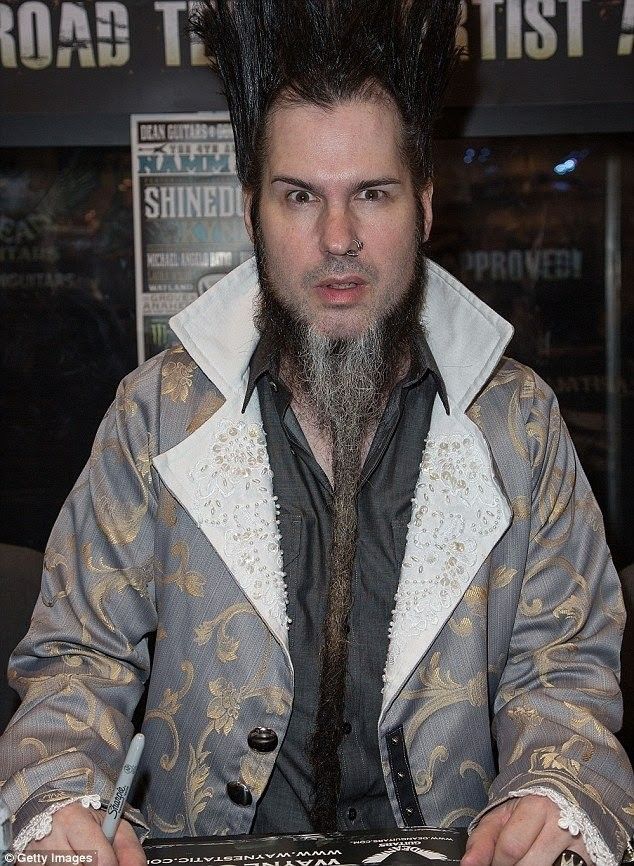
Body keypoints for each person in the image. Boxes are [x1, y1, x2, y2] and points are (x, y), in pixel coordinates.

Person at [0, 1, 632, 864]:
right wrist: (60, 794)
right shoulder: (154, 413)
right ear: (252, 206)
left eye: (371, 194)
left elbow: (565, 665)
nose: (338, 238)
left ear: (426, 206)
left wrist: (557, 789)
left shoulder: (519, 420)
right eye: (300, 196)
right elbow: (77, 654)